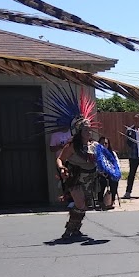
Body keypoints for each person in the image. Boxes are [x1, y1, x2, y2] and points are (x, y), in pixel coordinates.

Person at [46, 88, 100, 239]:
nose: (89, 132)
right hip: (75, 177)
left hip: (89, 178)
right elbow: (60, 159)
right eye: (85, 130)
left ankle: (75, 228)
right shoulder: (71, 146)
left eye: (89, 130)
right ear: (78, 131)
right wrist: (61, 168)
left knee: (83, 206)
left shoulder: (93, 145)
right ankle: (69, 230)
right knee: (80, 203)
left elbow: (103, 161)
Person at [94, 136, 117, 210]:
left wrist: (114, 173)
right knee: (101, 181)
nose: (104, 145)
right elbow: (94, 165)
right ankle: (100, 201)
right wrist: (100, 172)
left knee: (114, 180)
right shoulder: (96, 153)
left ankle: (111, 201)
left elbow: (116, 165)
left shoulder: (112, 154)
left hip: (110, 174)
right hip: (99, 174)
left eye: (106, 143)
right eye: (102, 143)